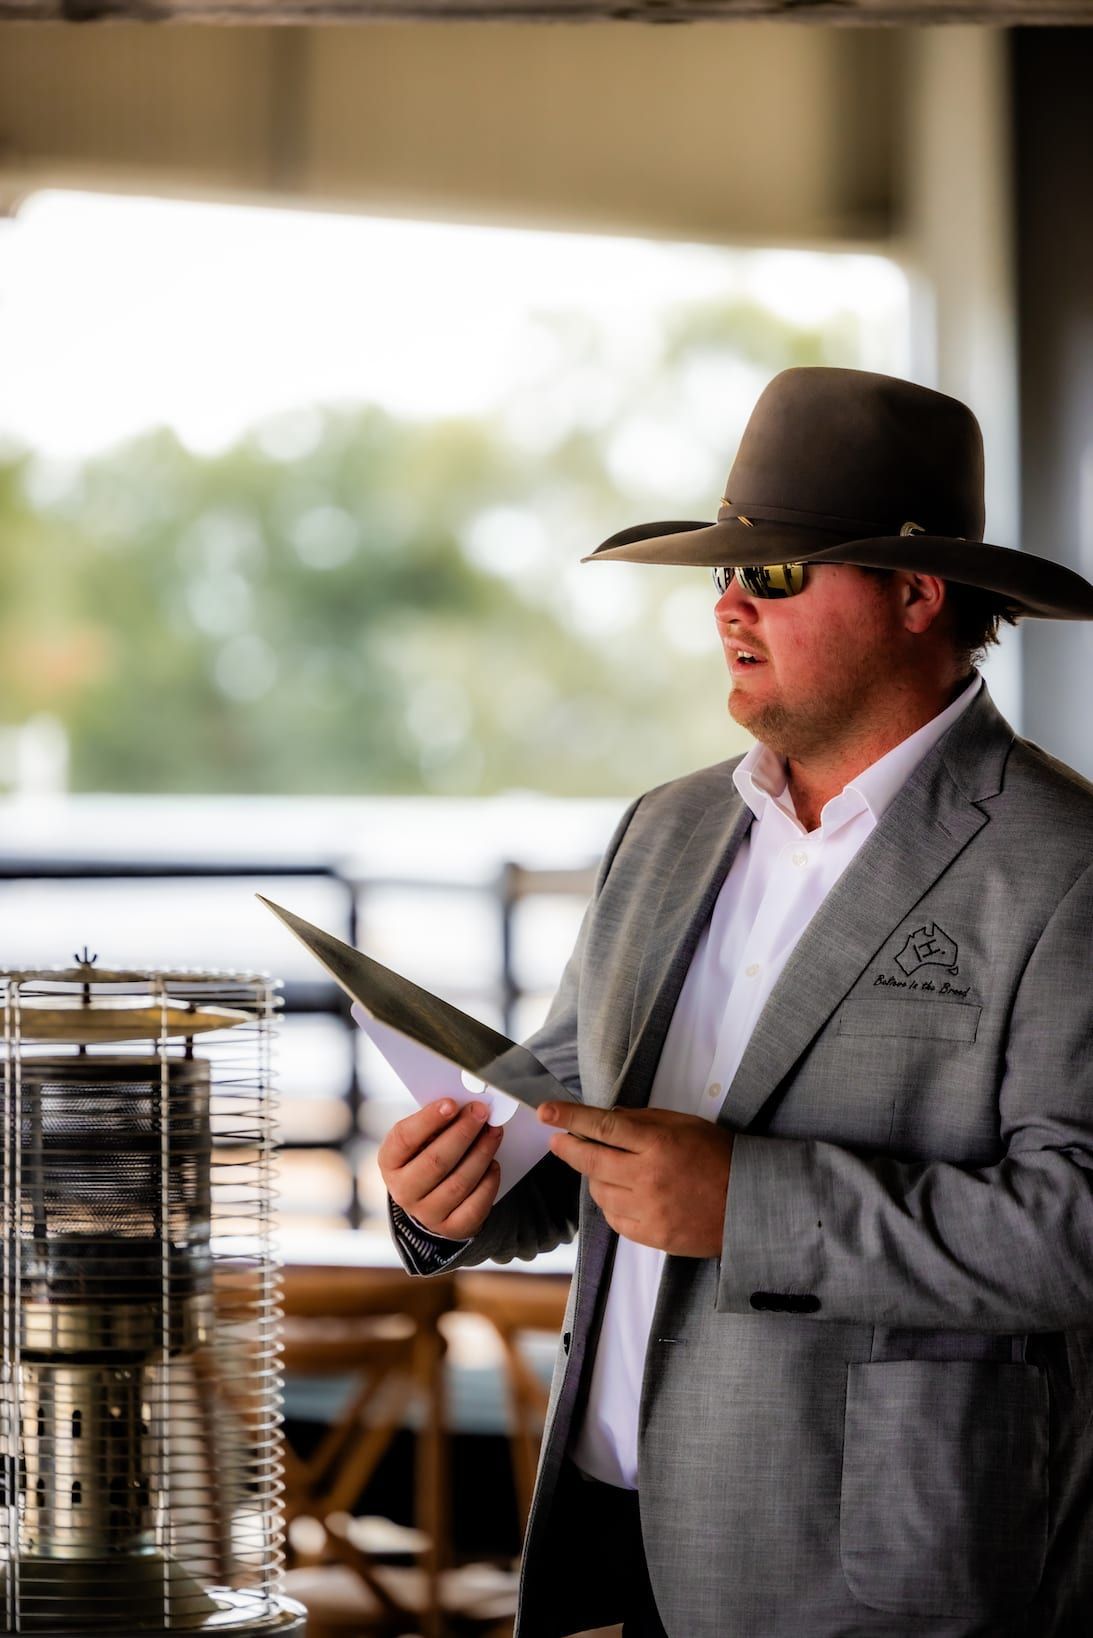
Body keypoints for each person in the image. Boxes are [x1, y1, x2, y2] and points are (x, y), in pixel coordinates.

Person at [379, 367, 1093, 1638]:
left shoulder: (1063, 862)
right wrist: (455, 1194)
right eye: (719, 575)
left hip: (887, 1583)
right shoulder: (666, 829)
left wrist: (749, 1202)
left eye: (769, 575)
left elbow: (1078, 1226)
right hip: (624, 1539)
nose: (724, 606)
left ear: (916, 595)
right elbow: (568, 1126)